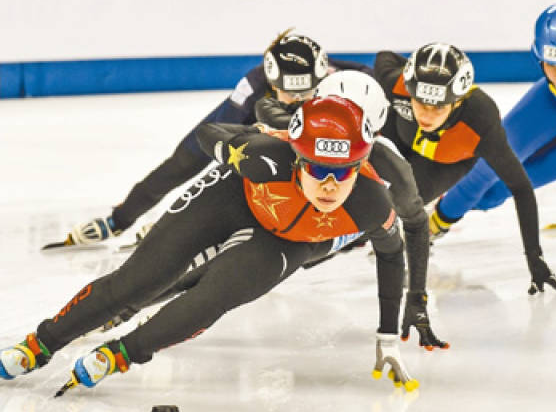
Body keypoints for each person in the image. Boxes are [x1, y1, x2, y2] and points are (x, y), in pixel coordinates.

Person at [0, 96, 419, 393]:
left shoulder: (370, 202)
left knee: (216, 294)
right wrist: (234, 151)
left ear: (360, 166)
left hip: (288, 242)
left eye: (342, 172)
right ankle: (40, 343)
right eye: (318, 168)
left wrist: (386, 337)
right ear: (297, 156)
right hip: (232, 198)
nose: (329, 184)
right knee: (140, 280)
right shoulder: (267, 157)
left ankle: (121, 353)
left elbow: (392, 255)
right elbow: (207, 133)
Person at [52, 29, 371, 248]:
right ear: (272, 80)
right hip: (241, 125)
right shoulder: (253, 84)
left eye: (305, 92)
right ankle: (118, 220)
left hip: (294, 136)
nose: (295, 98)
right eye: (287, 92)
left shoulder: (335, 76)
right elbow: (224, 144)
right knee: (183, 164)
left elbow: (368, 77)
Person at [256, 70, 447, 350]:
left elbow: (416, 224)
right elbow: (264, 109)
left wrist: (417, 297)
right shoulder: (298, 131)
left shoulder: (390, 165)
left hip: (328, 231)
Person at [374, 42, 556, 295]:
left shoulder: (481, 120)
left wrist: (535, 258)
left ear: (457, 102)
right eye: (421, 103)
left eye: (438, 107)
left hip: (446, 161)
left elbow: (521, 187)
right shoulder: (398, 83)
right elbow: (384, 57)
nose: (427, 115)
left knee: (396, 204)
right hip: (401, 137)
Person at [430, 3, 556, 235]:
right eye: (551, 65)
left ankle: (438, 212)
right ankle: (430, 221)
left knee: (496, 193)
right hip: (549, 103)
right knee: (487, 167)